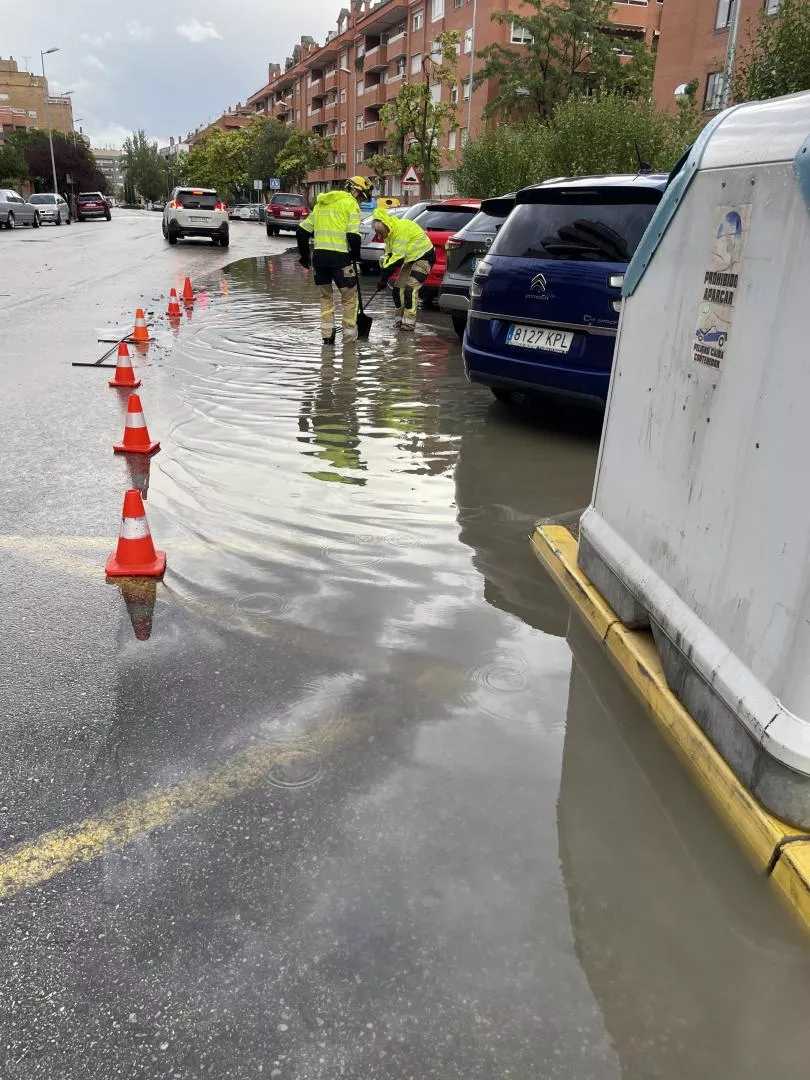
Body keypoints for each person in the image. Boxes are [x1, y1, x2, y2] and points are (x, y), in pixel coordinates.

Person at [296, 176, 372, 345]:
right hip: (340, 259)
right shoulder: (350, 204)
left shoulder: (321, 204)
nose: (360, 201)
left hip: (319, 260)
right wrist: (355, 257)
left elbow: (301, 231)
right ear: (355, 191)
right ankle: (349, 341)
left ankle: (327, 338)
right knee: (349, 298)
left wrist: (304, 257)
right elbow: (353, 236)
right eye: (361, 197)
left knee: (325, 298)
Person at [372, 208, 435, 332]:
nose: (379, 236)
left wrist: (384, 278)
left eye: (380, 233)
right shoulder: (388, 235)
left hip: (424, 258)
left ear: (386, 226)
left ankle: (408, 326)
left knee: (410, 290)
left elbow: (397, 258)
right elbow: (389, 256)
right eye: (376, 233)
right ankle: (399, 323)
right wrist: (383, 278)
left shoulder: (400, 230)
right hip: (411, 259)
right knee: (398, 290)